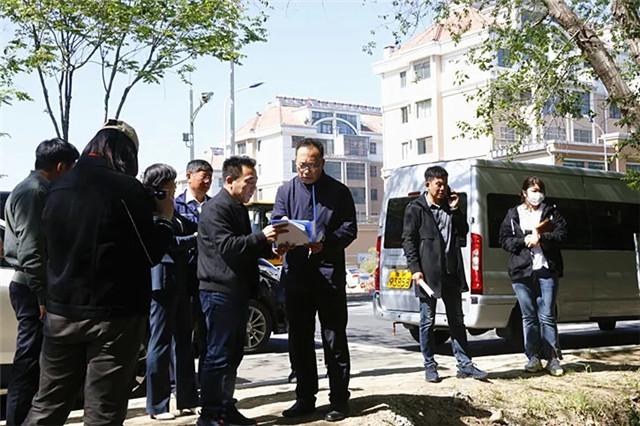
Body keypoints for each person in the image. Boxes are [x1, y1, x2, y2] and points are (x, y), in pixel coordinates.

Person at [23, 119, 175, 425]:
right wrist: (165, 219)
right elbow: (150, 253)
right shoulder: (125, 188)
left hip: (61, 310)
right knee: (103, 412)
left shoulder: (58, 186)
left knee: (47, 405)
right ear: (125, 153)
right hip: (113, 316)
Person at [273, 138, 357, 422]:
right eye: (301, 165)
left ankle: (339, 400)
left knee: (334, 339)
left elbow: (349, 229)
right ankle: (305, 398)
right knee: (299, 341)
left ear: (323, 163)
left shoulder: (339, 192)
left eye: (311, 165)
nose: (306, 171)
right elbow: (277, 221)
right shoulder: (286, 190)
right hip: (297, 275)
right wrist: (280, 241)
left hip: (328, 275)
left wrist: (327, 243)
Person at [196, 156, 284, 426]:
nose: (253, 188)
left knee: (233, 354)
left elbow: (247, 247)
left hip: (236, 291)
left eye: (255, 182)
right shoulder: (216, 208)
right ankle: (210, 414)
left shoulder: (237, 208)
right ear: (230, 180)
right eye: (249, 182)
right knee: (217, 355)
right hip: (218, 290)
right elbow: (229, 247)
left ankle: (225, 407)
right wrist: (262, 236)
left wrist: (274, 247)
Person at [3, 138, 79, 425]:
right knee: (29, 361)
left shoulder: (31, 189)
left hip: (34, 285)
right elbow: (32, 249)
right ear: (60, 167)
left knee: (38, 361)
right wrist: (42, 295)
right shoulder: (34, 192)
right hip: (31, 287)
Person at [401, 165, 488, 383]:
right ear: (428, 184)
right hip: (427, 274)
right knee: (427, 321)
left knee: (456, 320)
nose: (442, 189)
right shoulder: (416, 208)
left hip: (451, 271)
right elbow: (408, 240)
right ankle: (430, 366)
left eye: (445, 184)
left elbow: (463, 232)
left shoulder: (449, 207)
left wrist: (456, 209)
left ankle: (465, 364)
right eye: (438, 184)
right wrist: (415, 269)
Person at [143, 163, 200, 420]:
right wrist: (193, 240)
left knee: (184, 341)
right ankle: (158, 405)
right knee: (160, 342)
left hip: (180, 280)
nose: (174, 187)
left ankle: (187, 399)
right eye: (170, 183)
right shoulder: (152, 210)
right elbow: (168, 242)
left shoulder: (172, 209)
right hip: (162, 280)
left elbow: (189, 226)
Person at [498, 176, 567, 376]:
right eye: (533, 190)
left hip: (547, 269)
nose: (537, 194)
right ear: (524, 193)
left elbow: (562, 234)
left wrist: (542, 237)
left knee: (547, 315)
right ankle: (533, 357)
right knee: (528, 316)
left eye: (540, 191)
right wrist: (523, 241)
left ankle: (552, 358)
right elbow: (504, 240)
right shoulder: (513, 213)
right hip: (521, 271)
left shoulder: (551, 212)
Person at [174, 159, 213, 381]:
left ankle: (208, 384)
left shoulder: (214, 206)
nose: (207, 181)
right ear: (189, 177)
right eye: (203, 175)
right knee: (182, 335)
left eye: (210, 176)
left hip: (208, 277)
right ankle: (184, 386)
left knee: (208, 333)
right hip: (184, 278)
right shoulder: (176, 206)